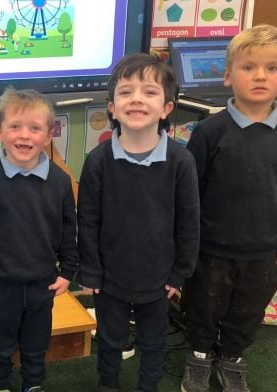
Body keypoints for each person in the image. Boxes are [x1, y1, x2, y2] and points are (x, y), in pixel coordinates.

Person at [181, 24, 277, 392]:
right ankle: (200, 355)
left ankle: (232, 355)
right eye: (248, 67)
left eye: (271, 68)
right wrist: (189, 240)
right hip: (211, 247)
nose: (260, 76)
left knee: (248, 310)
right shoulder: (210, 132)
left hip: (265, 249)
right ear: (227, 75)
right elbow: (190, 192)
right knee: (203, 305)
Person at [77, 53, 200, 392]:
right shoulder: (98, 161)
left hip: (159, 279)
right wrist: (90, 270)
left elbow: (189, 223)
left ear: (166, 108)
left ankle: (148, 387)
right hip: (109, 277)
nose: (136, 99)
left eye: (149, 91)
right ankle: (107, 384)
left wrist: (179, 274)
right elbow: (87, 220)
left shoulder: (181, 162)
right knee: (111, 337)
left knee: (153, 341)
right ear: (112, 108)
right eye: (126, 91)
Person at [0, 88, 80, 392]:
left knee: (35, 345)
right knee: (0, 346)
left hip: (43, 284)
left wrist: (68, 272)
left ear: (49, 134)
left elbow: (69, 229)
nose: (24, 136)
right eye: (15, 126)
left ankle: (33, 385)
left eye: (34, 128)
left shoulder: (59, 181)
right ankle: (0, 385)